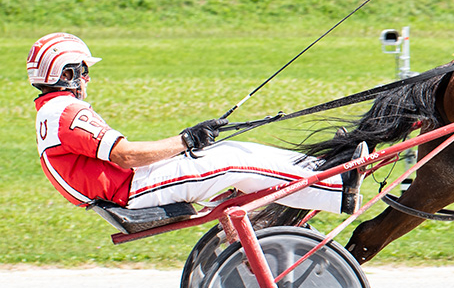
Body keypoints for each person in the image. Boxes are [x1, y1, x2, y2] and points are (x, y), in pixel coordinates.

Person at [28, 32, 366, 216]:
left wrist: (188, 143)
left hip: (131, 187)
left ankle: (321, 168)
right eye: (83, 70)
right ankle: (334, 187)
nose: (88, 77)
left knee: (230, 152)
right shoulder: (67, 113)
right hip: (133, 190)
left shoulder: (54, 112)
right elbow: (126, 156)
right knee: (234, 162)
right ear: (68, 74)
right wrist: (186, 140)